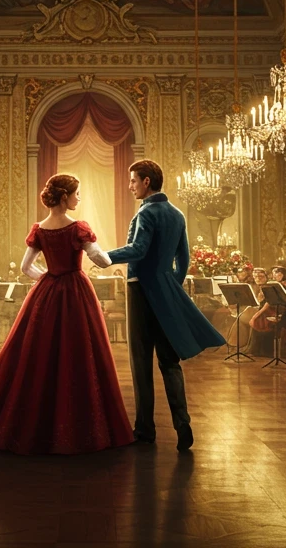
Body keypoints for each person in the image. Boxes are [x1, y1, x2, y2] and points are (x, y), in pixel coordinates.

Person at [0, 174, 133, 454]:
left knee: (37, 352)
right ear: (64, 197)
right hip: (76, 292)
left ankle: (35, 423)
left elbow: (26, 268)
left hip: (47, 292)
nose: (79, 198)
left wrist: (48, 279)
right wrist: (120, 254)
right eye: (77, 194)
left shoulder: (40, 230)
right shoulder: (78, 228)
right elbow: (103, 260)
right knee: (78, 351)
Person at [106, 160, 226, 451]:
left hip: (140, 291)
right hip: (166, 290)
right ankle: (182, 424)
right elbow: (183, 258)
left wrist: (104, 256)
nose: (130, 186)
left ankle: (145, 430)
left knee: (141, 363)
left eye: (133, 180)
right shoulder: (176, 214)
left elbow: (138, 250)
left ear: (146, 181)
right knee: (170, 362)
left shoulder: (146, 213)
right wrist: (170, 285)